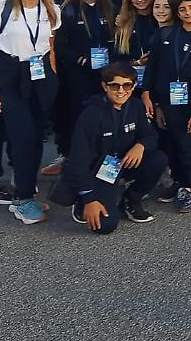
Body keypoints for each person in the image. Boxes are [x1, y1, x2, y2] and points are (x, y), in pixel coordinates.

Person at [0, 0, 61, 224]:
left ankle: (27, 194)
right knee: (23, 137)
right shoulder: (0, 9)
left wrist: (53, 80)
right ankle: (23, 199)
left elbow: (50, 47)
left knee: (37, 138)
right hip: (10, 76)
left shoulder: (51, 10)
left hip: (40, 78)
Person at [60, 63, 166, 232]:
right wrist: (89, 198)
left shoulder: (137, 106)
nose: (121, 91)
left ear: (134, 86)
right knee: (105, 226)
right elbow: (77, 162)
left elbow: (151, 136)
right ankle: (80, 201)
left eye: (127, 85)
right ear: (104, 86)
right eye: (115, 85)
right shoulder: (91, 115)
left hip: (122, 163)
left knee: (158, 159)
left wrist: (140, 145)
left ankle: (131, 199)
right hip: (99, 171)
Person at [141, 0, 191, 213]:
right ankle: (184, 184)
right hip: (168, 100)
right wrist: (151, 98)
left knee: (189, 145)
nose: (187, 12)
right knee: (173, 144)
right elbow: (154, 68)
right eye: (182, 9)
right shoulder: (166, 35)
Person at [50, 0, 115, 176]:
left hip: (104, 73)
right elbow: (61, 46)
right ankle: (78, 163)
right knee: (80, 117)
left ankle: (103, 162)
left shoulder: (108, 8)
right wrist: (82, 61)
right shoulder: (69, 9)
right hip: (78, 74)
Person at [111, 0, 158, 90]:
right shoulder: (123, 23)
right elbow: (117, 58)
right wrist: (138, 62)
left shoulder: (161, 18)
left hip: (159, 81)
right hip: (132, 83)